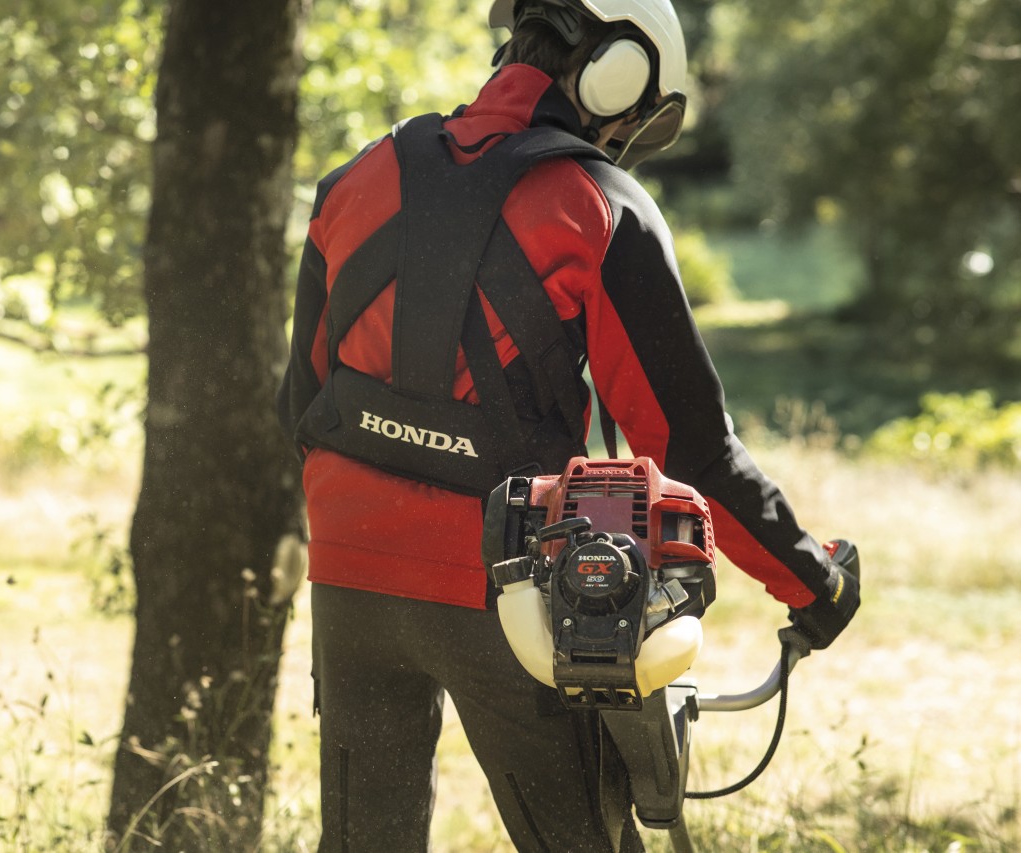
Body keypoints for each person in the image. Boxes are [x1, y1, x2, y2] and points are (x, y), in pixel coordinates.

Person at [276, 0, 861, 850]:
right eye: (635, 114)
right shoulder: (599, 204)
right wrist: (812, 579)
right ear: (617, 71)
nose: (623, 136)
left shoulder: (358, 175)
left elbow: (301, 403)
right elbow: (690, 448)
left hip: (349, 575)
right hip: (507, 587)